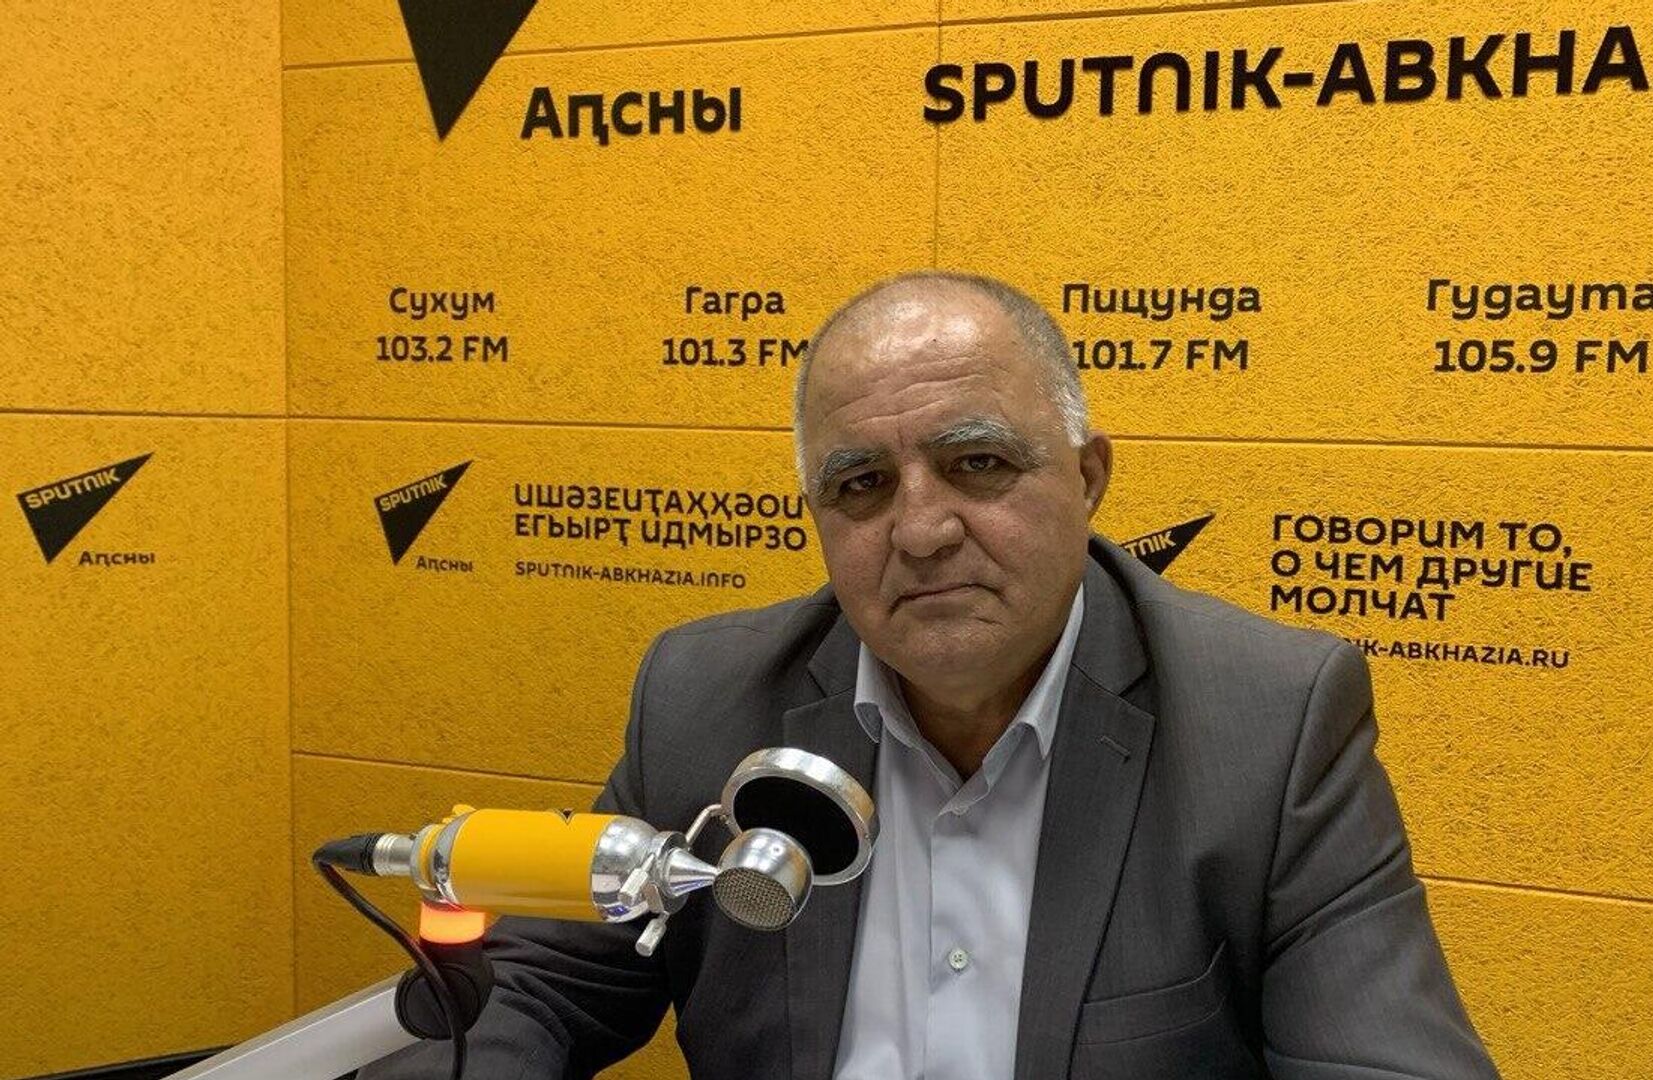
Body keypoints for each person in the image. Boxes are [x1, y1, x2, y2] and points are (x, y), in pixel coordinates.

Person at [362, 271, 1499, 1079]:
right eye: (861, 486)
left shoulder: (1268, 724)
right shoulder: (709, 698)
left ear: (1089, 478)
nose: (919, 531)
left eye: (978, 464)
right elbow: (540, 989)